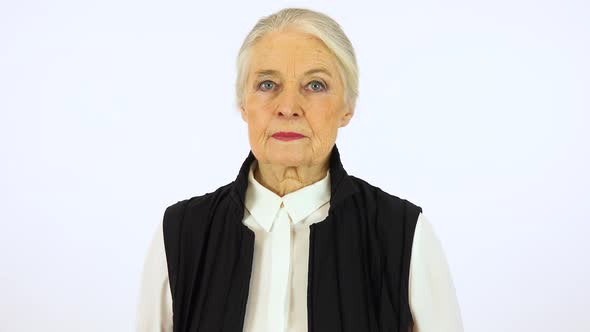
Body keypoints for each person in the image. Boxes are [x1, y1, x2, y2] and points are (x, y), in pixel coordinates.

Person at [136, 7, 463, 332]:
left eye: (315, 85)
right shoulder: (180, 235)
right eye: (267, 84)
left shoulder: (404, 234)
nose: (288, 107)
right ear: (242, 104)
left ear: (347, 108)